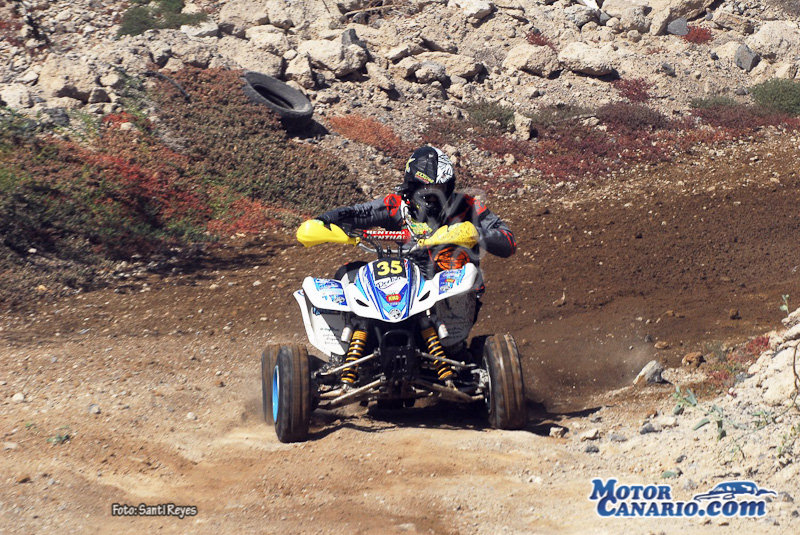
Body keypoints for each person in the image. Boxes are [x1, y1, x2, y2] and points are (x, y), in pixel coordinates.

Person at [316, 146, 516, 275]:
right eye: (425, 190)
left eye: (439, 189)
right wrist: (322, 221)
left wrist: (476, 233)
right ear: (411, 187)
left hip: (454, 286)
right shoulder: (396, 205)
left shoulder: (468, 205)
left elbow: (508, 241)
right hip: (406, 280)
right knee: (347, 274)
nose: (432, 196)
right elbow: (357, 213)